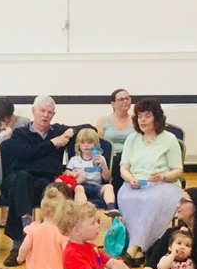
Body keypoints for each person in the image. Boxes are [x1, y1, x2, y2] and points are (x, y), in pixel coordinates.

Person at [0, 95, 82, 266]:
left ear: (53, 115)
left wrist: (70, 131)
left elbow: (89, 127)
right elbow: (26, 154)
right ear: (33, 111)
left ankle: (26, 242)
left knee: (50, 188)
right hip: (18, 180)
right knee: (22, 180)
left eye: (49, 112)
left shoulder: (57, 131)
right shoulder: (20, 133)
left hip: (43, 182)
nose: (45, 115)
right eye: (42, 111)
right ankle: (23, 235)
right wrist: (52, 144)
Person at [116, 98, 183, 259]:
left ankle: (133, 248)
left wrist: (162, 176)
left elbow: (178, 171)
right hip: (135, 182)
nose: (142, 120)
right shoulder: (132, 139)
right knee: (125, 196)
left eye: (147, 116)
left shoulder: (169, 138)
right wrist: (130, 179)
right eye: (139, 116)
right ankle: (139, 251)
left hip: (163, 184)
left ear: (157, 118)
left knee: (152, 199)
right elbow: (124, 167)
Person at [94, 88, 134, 191]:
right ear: (113, 104)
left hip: (130, 157)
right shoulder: (103, 121)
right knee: (115, 161)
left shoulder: (136, 120)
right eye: (121, 99)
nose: (125, 101)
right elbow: (96, 142)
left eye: (127, 98)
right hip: (110, 157)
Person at [64, 128, 112, 207]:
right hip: (81, 186)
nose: (86, 145)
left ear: (95, 144)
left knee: (109, 187)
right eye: (83, 142)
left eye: (89, 142)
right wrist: (72, 173)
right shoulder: (74, 159)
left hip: (97, 186)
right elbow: (66, 173)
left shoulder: (100, 159)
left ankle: (111, 208)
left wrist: (103, 165)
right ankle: (82, 208)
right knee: (79, 188)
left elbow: (106, 178)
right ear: (79, 145)